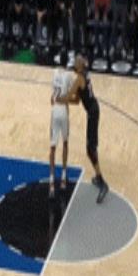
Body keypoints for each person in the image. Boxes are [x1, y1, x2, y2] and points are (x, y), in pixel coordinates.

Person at [59, 55, 109, 204]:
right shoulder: (84, 75)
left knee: (90, 149)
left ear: (80, 66)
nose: (73, 64)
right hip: (93, 110)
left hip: (92, 113)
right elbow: (76, 100)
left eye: (75, 63)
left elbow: (69, 96)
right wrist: (65, 101)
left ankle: (102, 182)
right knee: (91, 148)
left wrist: (58, 99)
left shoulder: (79, 79)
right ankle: (98, 177)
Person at [49, 69, 75, 198]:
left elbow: (51, 98)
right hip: (63, 111)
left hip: (55, 110)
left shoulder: (54, 73)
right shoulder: (68, 75)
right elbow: (70, 97)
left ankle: (51, 182)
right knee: (65, 143)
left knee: (52, 147)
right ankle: (64, 178)